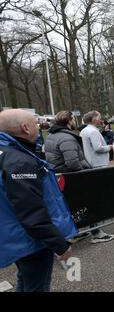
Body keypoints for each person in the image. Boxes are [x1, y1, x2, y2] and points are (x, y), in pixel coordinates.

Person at [0, 109, 76, 292]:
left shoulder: (8, 153)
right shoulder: (19, 161)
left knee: (26, 281)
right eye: (35, 123)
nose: (39, 126)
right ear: (25, 128)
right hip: (30, 241)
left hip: (14, 235)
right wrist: (60, 246)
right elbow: (32, 213)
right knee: (36, 286)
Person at [80, 111, 114, 243]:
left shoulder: (84, 131)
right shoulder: (93, 132)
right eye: (99, 118)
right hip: (97, 166)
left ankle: (92, 228)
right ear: (94, 119)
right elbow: (98, 148)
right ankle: (97, 232)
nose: (101, 120)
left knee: (92, 200)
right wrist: (109, 147)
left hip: (90, 165)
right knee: (97, 200)